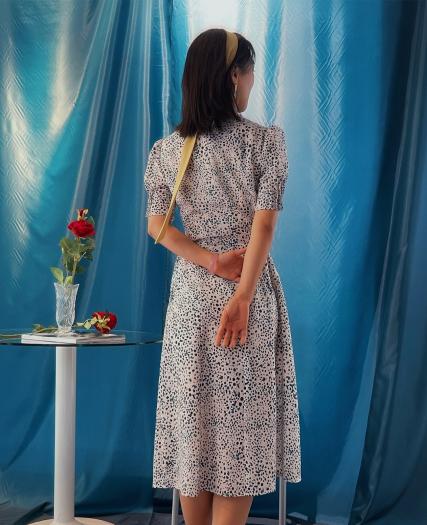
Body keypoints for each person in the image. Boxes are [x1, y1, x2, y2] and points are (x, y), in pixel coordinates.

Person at [144, 27, 301, 525]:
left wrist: (209, 261)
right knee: (239, 439)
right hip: (245, 299)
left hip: (192, 305)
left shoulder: (167, 151)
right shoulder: (264, 142)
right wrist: (243, 297)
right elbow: (265, 226)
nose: (252, 82)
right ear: (234, 76)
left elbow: (156, 225)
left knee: (197, 431)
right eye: (250, 72)